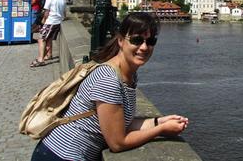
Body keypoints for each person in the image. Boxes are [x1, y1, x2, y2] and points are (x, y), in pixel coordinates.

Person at [31, 12, 189, 160]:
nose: (144, 47)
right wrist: (160, 130)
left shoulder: (129, 75)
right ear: (120, 40)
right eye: (136, 40)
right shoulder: (109, 79)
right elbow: (117, 143)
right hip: (59, 155)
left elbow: (122, 123)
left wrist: (159, 121)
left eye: (151, 41)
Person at [30, 0, 66, 67]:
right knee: (48, 39)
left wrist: (43, 21)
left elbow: (46, 12)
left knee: (41, 39)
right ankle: (46, 56)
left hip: (51, 21)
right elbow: (64, 13)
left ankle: (40, 59)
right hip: (58, 21)